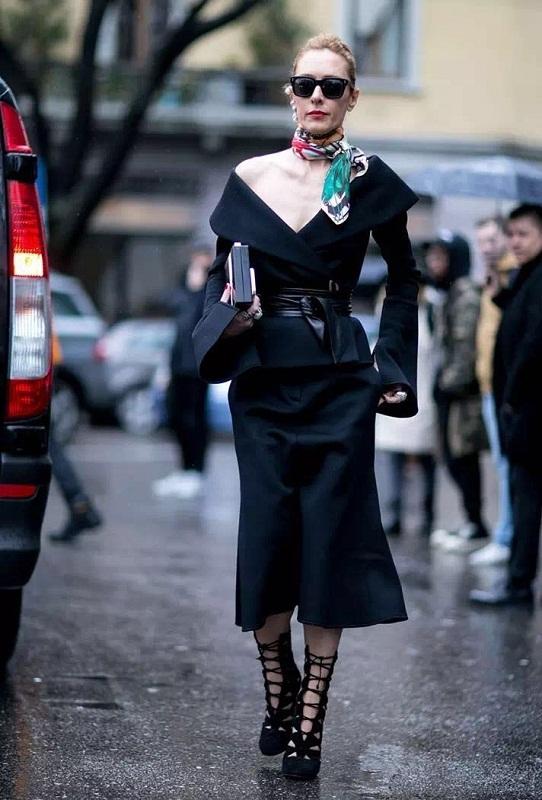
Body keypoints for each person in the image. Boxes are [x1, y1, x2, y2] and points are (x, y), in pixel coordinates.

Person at [192, 34, 419, 780]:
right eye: (305, 84)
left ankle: (309, 719)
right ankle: (277, 685)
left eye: (333, 85)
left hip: (338, 379)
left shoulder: (369, 181)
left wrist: (392, 367)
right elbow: (218, 279)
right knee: (266, 541)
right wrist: (227, 323)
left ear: (353, 98)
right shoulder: (250, 178)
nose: (317, 96)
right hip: (263, 383)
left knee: (328, 543)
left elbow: (405, 281)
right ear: (289, 93)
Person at [470, 204, 542, 606]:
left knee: (525, 495)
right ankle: (518, 580)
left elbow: (533, 342)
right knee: (521, 493)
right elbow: (517, 315)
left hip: (529, 408)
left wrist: (512, 397)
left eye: (523, 234)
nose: (515, 241)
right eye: (511, 234)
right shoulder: (527, 274)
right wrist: (499, 290)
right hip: (520, 405)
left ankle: (518, 584)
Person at [426, 233, 489, 552]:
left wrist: (447, 384)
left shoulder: (465, 295)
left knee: (462, 458)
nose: (433, 264)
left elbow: (464, 349)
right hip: (451, 391)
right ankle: (472, 521)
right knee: (454, 458)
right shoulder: (446, 293)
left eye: (440, 258)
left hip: (463, 396)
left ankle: (475, 523)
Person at [469, 217, 517, 566]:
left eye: (491, 239)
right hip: (489, 386)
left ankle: (506, 537)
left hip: (506, 388)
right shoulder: (492, 277)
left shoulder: (514, 274)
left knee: (507, 465)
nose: (486, 247)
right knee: (502, 464)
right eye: (481, 241)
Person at [375, 282, 437, 537]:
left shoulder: (431, 311)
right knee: (391, 459)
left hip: (424, 395)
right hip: (394, 395)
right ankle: (393, 515)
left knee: (425, 459)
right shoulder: (383, 311)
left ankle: (428, 515)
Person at [152, 245, 213, 500]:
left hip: (198, 365)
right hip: (178, 364)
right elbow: (171, 305)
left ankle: (196, 471)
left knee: (195, 419)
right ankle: (184, 469)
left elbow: (205, 314)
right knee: (176, 417)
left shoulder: (210, 287)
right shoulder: (183, 288)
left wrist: (198, 288)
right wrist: (189, 287)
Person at [48, 333, 102, 543]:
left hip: (31, 355)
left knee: (44, 441)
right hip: (38, 354)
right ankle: (80, 505)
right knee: (45, 441)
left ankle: (80, 505)